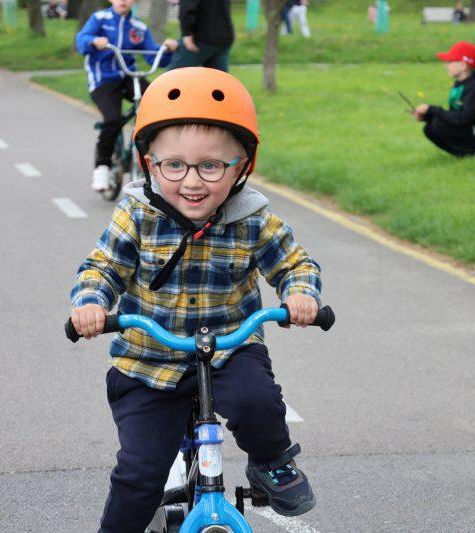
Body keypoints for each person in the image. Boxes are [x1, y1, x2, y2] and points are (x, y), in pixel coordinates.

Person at [69, 66, 323, 531]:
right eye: (174, 165)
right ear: (149, 164)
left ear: (242, 166)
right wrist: (91, 304)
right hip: (148, 362)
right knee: (139, 476)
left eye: (211, 166)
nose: (192, 182)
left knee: (258, 403)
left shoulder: (252, 219)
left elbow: (295, 264)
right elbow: (102, 268)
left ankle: (270, 462)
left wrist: (299, 294)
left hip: (229, 349)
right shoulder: (139, 216)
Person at [76, 0, 178, 192]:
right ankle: (102, 167)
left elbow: (152, 55)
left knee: (158, 105)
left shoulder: (138, 27)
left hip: (128, 76)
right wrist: (93, 41)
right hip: (103, 79)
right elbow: (82, 41)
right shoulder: (99, 19)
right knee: (112, 120)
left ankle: (157, 158)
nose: (123, 0)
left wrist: (166, 49)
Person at [412, 41, 475, 157]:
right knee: (430, 127)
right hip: (472, 129)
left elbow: (463, 119)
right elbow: (453, 116)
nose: (446, 65)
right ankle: (464, 156)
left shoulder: (474, 87)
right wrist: (427, 116)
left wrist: (432, 109)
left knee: (439, 124)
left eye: (450, 62)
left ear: (463, 65)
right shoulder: (460, 85)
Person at [167, 0, 234, 72]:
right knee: (218, 80)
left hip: (200, 37)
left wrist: (187, 33)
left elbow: (188, 6)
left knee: (172, 77)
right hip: (223, 34)